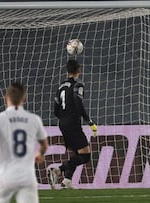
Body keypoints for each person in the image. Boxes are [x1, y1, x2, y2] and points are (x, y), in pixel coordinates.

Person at [48, 59, 97, 189]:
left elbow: (55, 110)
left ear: (67, 70)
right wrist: (89, 121)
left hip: (62, 122)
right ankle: (58, 170)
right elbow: (78, 103)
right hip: (72, 123)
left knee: (77, 153)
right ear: (79, 70)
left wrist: (64, 118)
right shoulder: (78, 85)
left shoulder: (61, 86)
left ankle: (66, 181)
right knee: (85, 156)